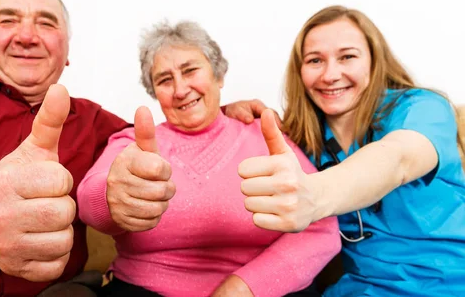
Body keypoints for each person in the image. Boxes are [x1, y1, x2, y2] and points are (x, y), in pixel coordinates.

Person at [0, 0, 266, 296]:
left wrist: (223, 116)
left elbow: (163, 143)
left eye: (46, 22)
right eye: (8, 20)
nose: (26, 35)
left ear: (67, 50)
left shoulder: (100, 125)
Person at [77, 20, 341, 297]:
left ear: (218, 75)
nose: (180, 90)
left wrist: (245, 287)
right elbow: (90, 200)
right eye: (165, 80)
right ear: (155, 92)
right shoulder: (134, 143)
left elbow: (321, 228)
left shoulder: (266, 136)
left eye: (190, 70)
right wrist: (113, 196)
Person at [241, 5, 465, 296]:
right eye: (315, 60)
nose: (330, 75)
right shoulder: (302, 142)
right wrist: (225, 116)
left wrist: (316, 193)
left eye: (347, 56)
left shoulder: (422, 108)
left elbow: (398, 159)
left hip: (448, 284)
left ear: (374, 61)